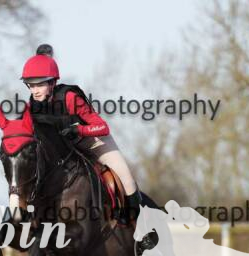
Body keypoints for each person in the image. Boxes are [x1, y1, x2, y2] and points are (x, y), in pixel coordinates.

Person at [20, 44, 151, 238]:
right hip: (68, 148)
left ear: (53, 82)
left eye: (40, 84)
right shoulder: (32, 106)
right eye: (31, 85)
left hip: (94, 141)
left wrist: (78, 129)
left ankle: (143, 233)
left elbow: (102, 127)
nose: (35, 90)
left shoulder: (70, 98)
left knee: (126, 179)